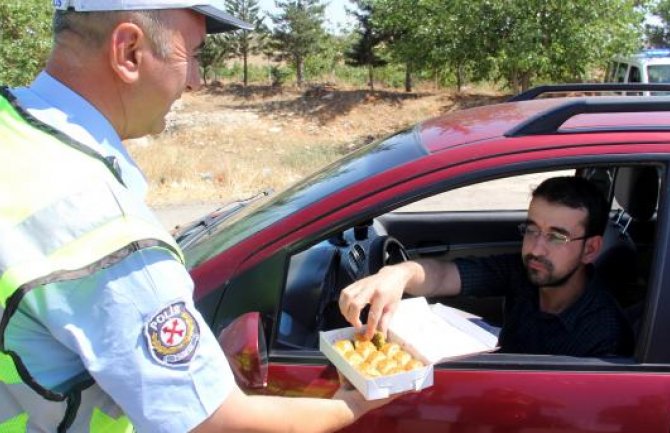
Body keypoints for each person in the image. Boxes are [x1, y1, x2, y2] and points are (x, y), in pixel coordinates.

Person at [0, 1, 394, 432]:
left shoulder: (13, 128)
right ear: (128, 51)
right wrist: (350, 405)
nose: (197, 81)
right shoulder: (107, 232)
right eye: (193, 53)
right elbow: (218, 425)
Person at [339, 176, 634, 357]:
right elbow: (443, 276)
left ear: (590, 249)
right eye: (532, 230)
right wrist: (397, 274)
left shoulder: (605, 333)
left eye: (557, 236)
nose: (535, 248)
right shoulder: (523, 273)